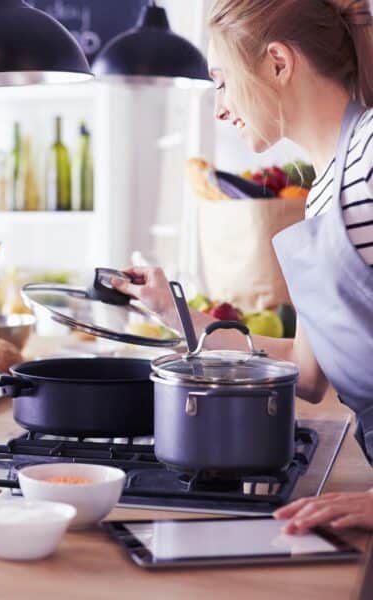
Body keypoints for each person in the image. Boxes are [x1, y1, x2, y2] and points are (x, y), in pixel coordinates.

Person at [113, 0, 373, 535]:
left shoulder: (370, 159)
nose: (219, 108)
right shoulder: (326, 188)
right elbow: (306, 372)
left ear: (278, 62)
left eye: (222, 82)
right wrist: (176, 316)